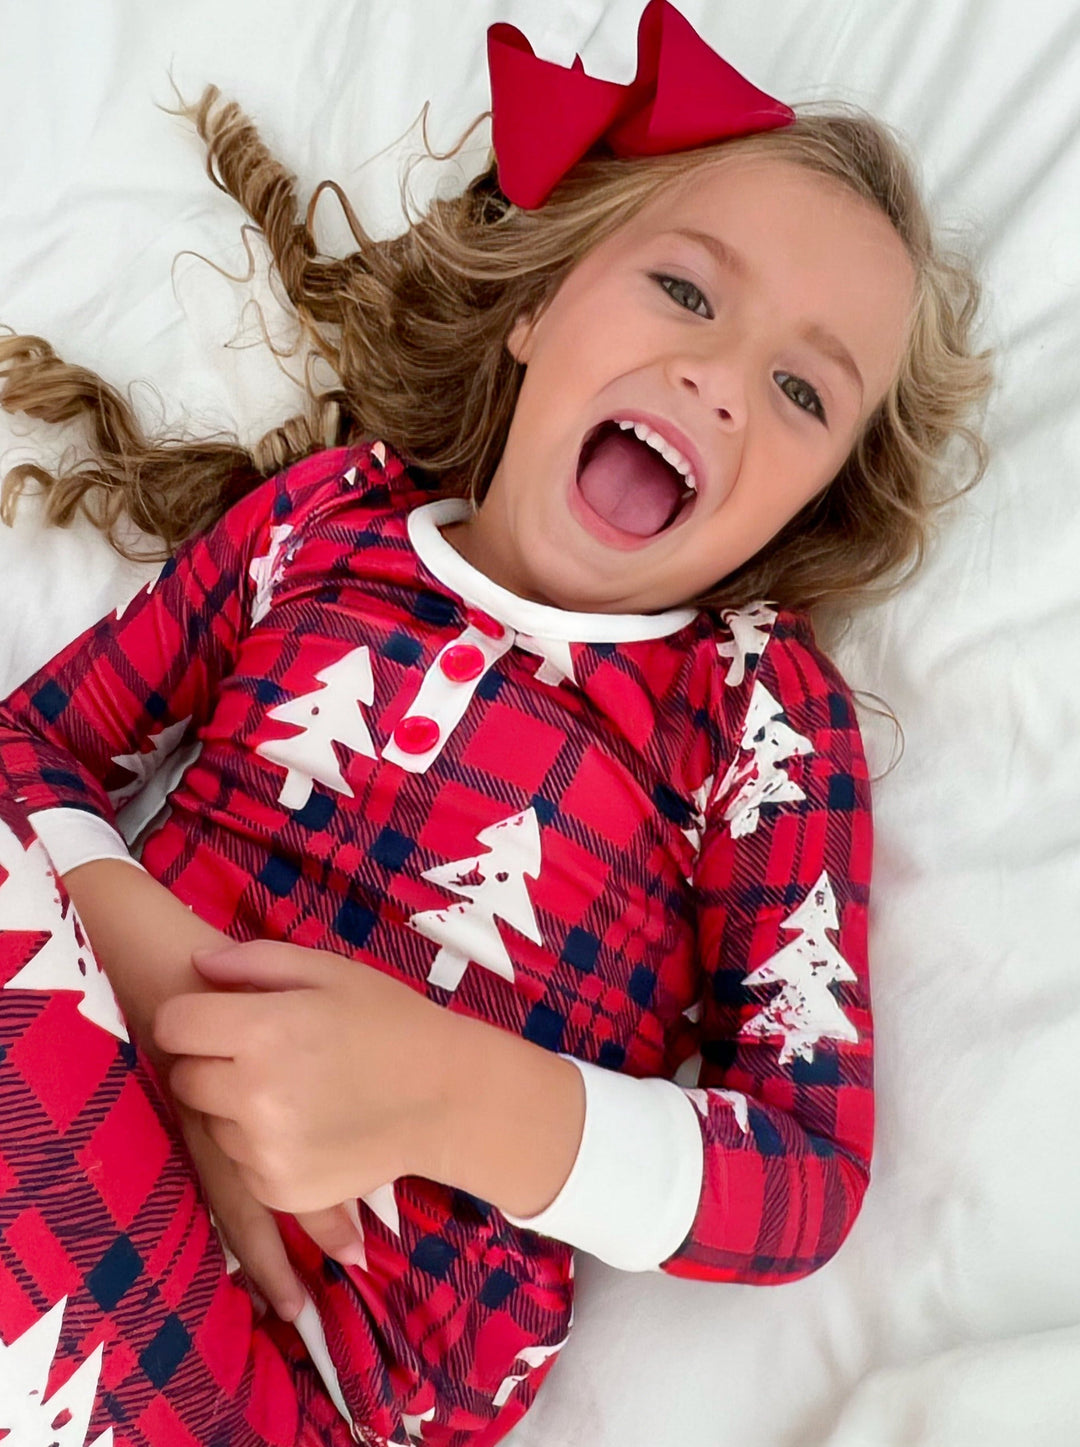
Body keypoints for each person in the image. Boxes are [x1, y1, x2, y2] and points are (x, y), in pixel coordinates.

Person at [0, 2, 992, 1444]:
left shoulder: (757, 715)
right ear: (536, 306)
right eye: (685, 289)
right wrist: (164, 991)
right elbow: (32, 748)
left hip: (315, 1360)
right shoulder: (326, 522)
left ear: (808, 502)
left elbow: (807, 1172)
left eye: (800, 391)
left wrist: (447, 1095)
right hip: (82, 1103)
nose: (720, 382)